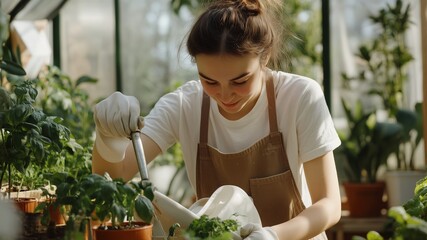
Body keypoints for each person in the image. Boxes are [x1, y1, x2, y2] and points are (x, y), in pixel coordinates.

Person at [92, 0, 342, 239]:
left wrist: (273, 235)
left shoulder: (299, 97)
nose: (224, 94)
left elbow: (329, 205)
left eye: (240, 80)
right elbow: (114, 177)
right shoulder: (185, 105)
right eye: (209, 81)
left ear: (264, 58)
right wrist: (108, 137)